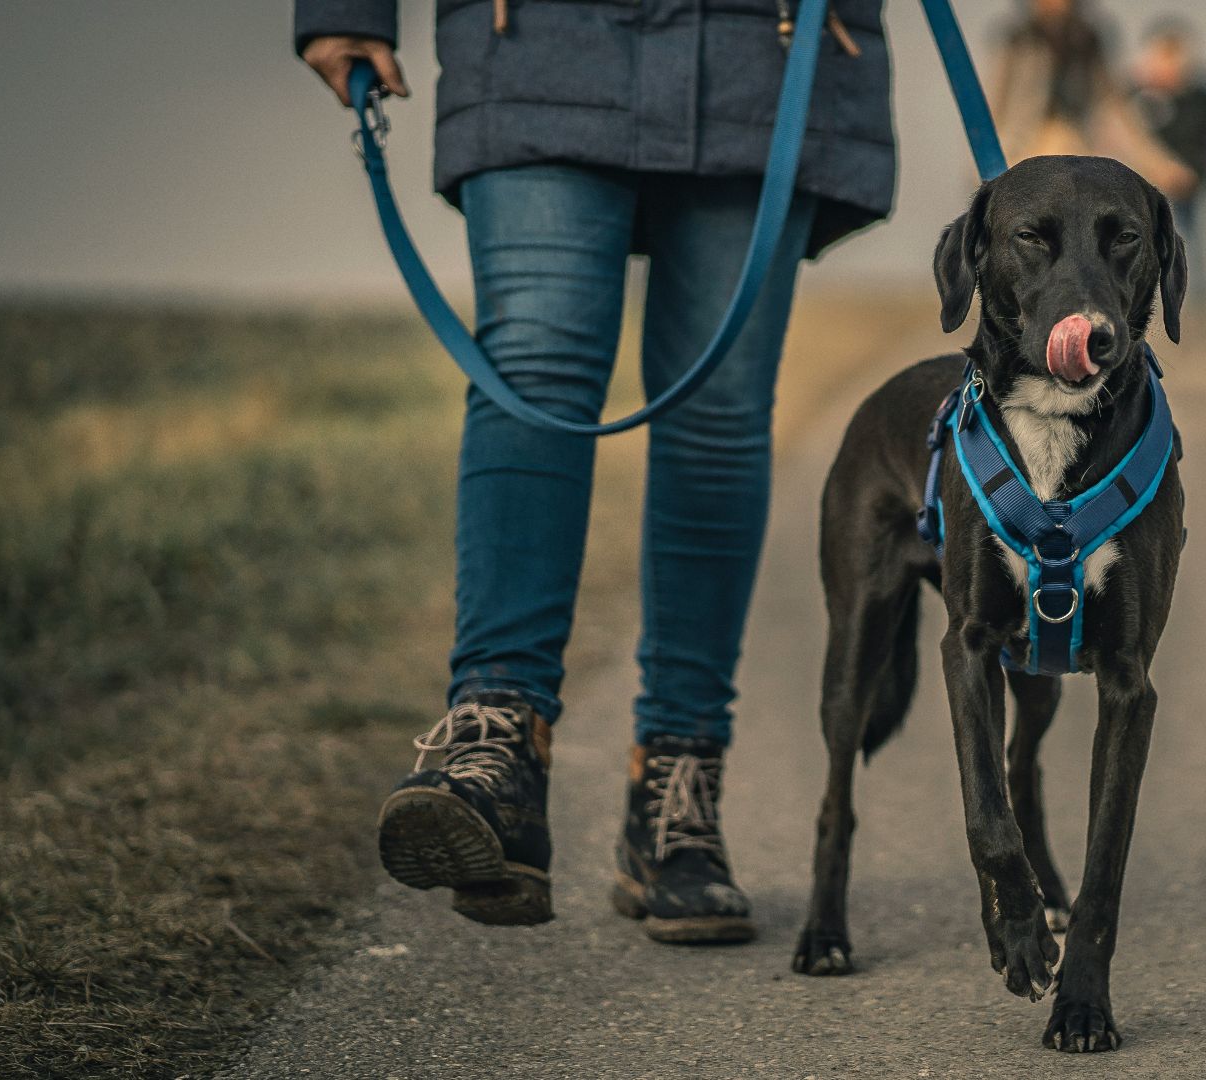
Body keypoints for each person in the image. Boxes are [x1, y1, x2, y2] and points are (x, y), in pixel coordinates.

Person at [294, 0, 894, 942]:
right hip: (541, 32)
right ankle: (497, 748)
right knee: (531, 362)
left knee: (720, 413)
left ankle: (676, 791)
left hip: (764, 42)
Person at [989, 0, 1194, 198]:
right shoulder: (1018, 41)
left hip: (1074, 149)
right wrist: (987, 165)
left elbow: (1116, 108)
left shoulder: (1086, 41)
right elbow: (995, 104)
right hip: (1022, 153)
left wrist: (1160, 165)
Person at [1129, 17, 1206, 322]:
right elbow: (1126, 136)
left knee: (1191, 249)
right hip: (1144, 186)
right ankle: (1140, 313)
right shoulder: (1136, 93)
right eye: (1163, 54)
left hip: (1188, 186)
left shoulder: (1199, 95)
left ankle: (1193, 317)